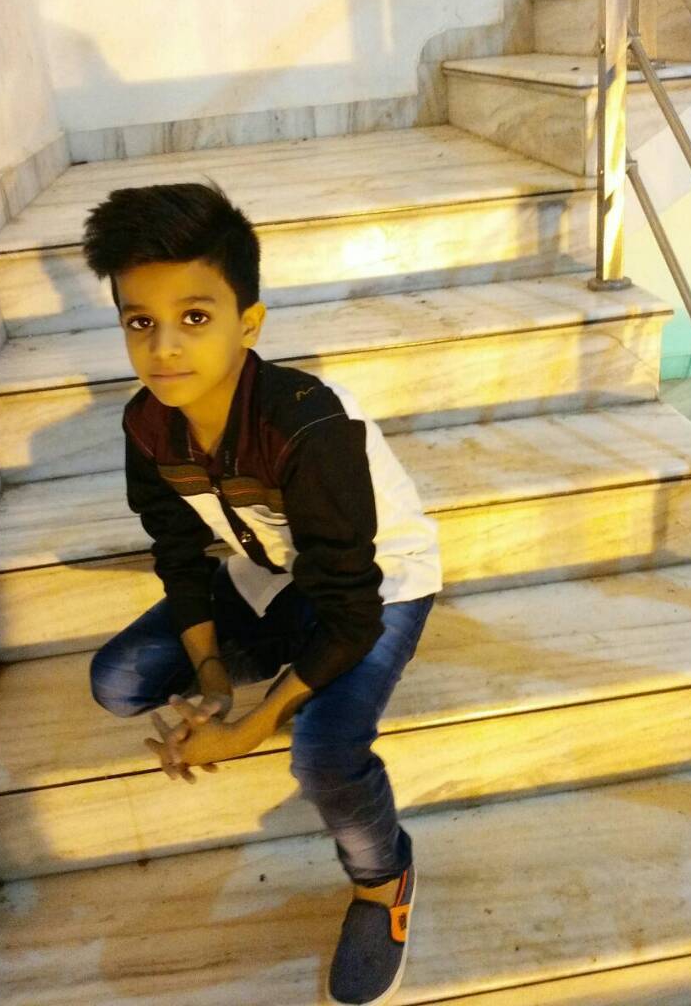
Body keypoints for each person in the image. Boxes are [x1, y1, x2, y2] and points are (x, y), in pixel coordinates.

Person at [81, 179, 442, 1006]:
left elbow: (352, 611)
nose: (164, 348)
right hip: (270, 574)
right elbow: (178, 554)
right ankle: (279, 666)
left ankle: (385, 883)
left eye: (194, 317)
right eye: (140, 322)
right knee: (119, 682)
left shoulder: (309, 426)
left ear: (249, 322)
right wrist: (212, 679)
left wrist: (250, 727)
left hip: (380, 585)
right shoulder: (148, 422)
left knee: (320, 750)